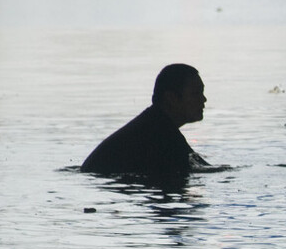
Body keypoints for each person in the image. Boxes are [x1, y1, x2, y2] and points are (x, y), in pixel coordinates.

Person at [81, 64, 210, 187]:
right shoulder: (161, 134)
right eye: (195, 94)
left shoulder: (155, 125)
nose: (203, 99)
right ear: (171, 98)